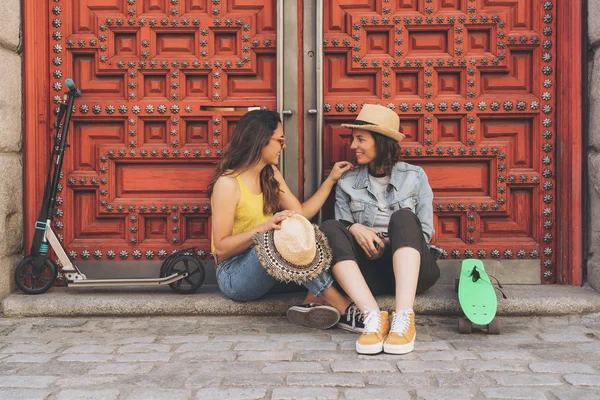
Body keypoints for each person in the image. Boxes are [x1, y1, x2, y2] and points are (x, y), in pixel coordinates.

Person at [208, 109, 354, 329]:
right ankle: (345, 308)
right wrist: (264, 229)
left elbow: (300, 214)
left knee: (310, 232)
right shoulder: (227, 184)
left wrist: (331, 180)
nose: (283, 146)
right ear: (261, 141)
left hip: (272, 272)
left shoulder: (270, 174)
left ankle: (310, 304)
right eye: (280, 140)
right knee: (282, 234)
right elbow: (221, 249)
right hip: (235, 275)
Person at [320, 104, 441, 355]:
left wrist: (384, 242)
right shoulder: (347, 182)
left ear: (381, 142)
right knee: (330, 227)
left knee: (403, 218)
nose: (353, 147)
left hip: (413, 273)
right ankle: (372, 318)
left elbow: (426, 233)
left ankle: (403, 320)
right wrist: (355, 228)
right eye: (353, 140)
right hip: (368, 273)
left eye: (360, 139)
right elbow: (342, 230)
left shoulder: (415, 177)